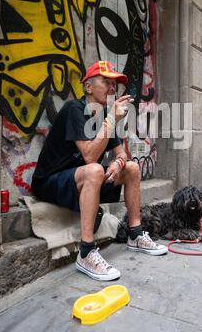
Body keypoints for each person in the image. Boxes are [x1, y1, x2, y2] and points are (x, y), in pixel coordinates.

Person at [31, 61, 168, 281]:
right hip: (49, 182)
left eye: (114, 84)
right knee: (94, 169)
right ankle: (85, 252)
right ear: (88, 87)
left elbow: (122, 154)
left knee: (132, 168)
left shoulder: (103, 115)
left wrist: (119, 163)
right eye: (106, 82)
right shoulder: (74, 109)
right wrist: (112, 119)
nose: (112, 88)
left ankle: (135, 234)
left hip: (80, 179)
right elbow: (89, 156)